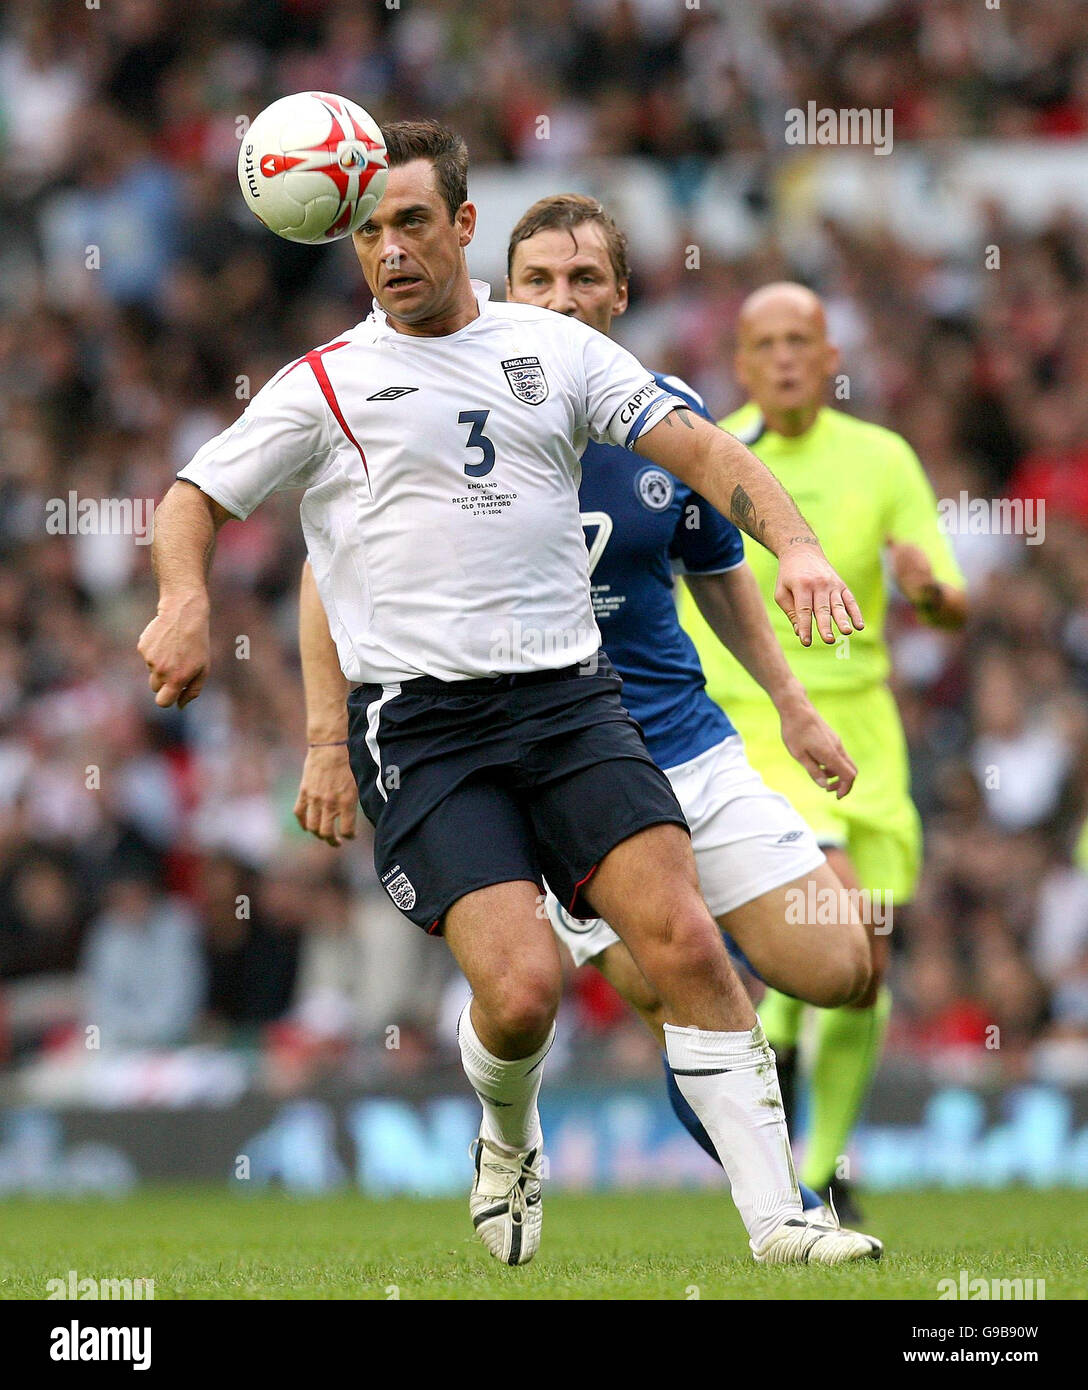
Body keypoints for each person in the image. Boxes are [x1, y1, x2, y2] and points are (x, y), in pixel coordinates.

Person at [138, 120, 876, 1268]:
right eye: (370, 229)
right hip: (425, 732)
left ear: (464, 226)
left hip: (572, 702)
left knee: (686, 937)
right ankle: (504, 1132)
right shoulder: (326, 382)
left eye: (413, 222)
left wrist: (801, 548)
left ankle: (781, 1221)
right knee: (522, 991)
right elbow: (193, 494)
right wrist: (185, 602)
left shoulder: (557, 351)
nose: (390, 250)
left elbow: (703, 456)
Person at [679, 282, 967, 1218]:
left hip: (868, 735)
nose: (788, 357)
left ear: (832, 357)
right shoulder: (709, 453)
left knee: (864, 974)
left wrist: (926, 589)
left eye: (803, 339)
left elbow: (952, 599)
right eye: (766, 343)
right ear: (743, 364)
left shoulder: (882, 458)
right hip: (760, 725)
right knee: (839, 926)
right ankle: (799, 1174)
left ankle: (820, 1156)